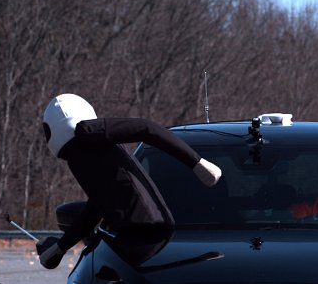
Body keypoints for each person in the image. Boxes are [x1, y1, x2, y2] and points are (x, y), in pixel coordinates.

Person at [36, 94, 222, 268]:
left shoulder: (87, 132)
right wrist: (61, 246)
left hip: (148, 235)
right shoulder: (79, 155)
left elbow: (146, 129)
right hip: (138, 238)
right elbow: (98, 204)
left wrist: (196, 162)